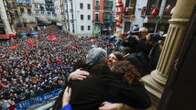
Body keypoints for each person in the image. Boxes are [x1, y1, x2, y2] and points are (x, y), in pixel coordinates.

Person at [53, 48, 151, 110]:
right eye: (108, 58)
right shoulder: (88, 75)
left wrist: (120, 106)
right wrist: (69, 76)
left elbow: (144, 101)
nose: (110, 60)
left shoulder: (112, 79)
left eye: (114, 59)